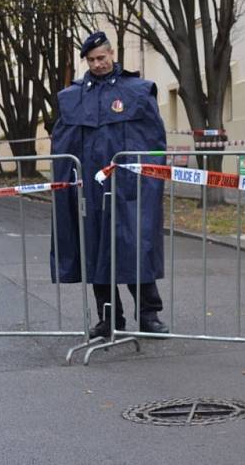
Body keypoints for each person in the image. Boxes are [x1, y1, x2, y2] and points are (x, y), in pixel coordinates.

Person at [50, 30, 169, 338]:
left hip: (129, 189)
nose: (97, 64)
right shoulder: (72, 97)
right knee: (95, 252)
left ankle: (149, 315)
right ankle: (109, 317)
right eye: (91, 60)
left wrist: (152, 182)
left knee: (134, 248)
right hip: (89, 190)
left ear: (112, 53)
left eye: (101, 58)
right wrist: (65, 186)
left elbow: (155, 143)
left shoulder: (138, 92)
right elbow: (62, 147)